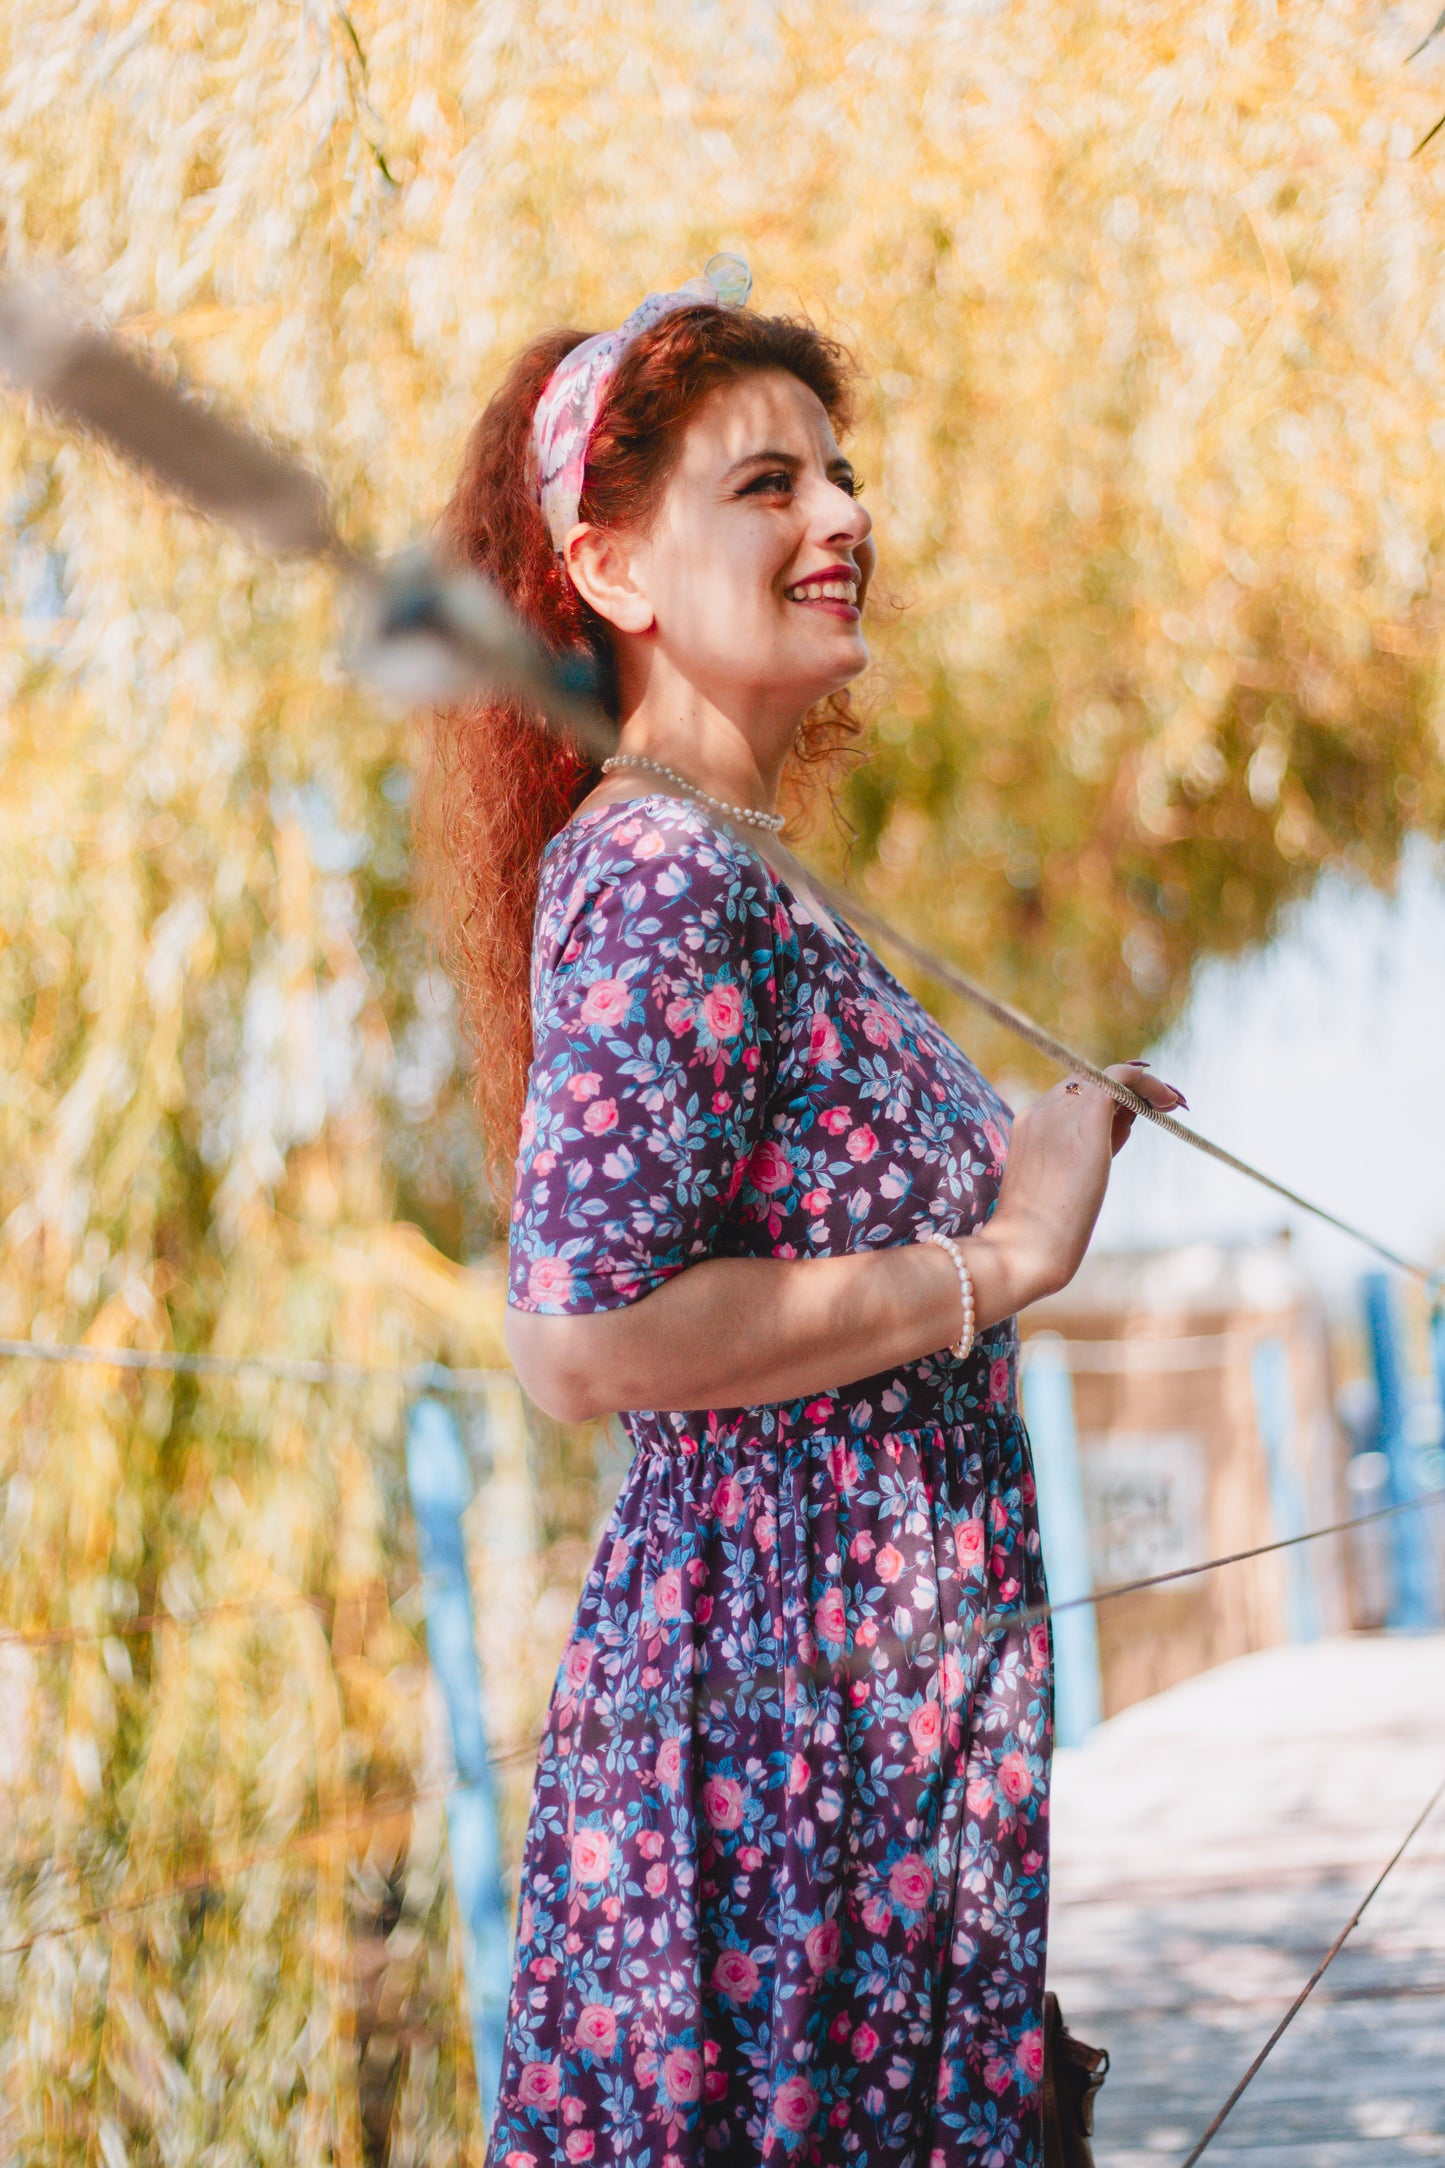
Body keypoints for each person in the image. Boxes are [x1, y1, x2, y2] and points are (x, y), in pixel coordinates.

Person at [428, 258, 1183, 2168]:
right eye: (763, 486)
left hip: (855, 1736)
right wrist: (1002, 1259)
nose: (840, 519)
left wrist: (1028, 1148)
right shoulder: (664, 871)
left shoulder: (733, 871)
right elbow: (580, 1338)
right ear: (608, 570)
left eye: (837, 479)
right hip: (772, 1739)